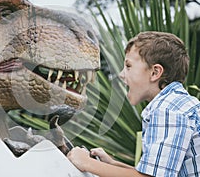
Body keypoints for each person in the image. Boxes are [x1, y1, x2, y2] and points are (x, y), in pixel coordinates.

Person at [67, 31, 200, 176]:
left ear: (155, 73)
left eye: (128, 66)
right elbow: (154, 172)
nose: (121, 74)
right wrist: (112, 164)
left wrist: (87, 163)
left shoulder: (168, 111)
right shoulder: (176, 104)